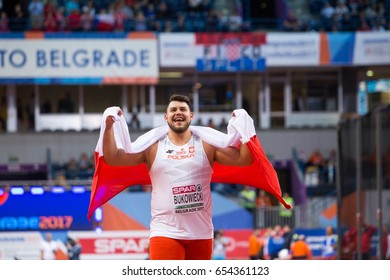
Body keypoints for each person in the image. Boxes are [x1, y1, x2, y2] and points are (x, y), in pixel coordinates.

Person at [102, 94, 254, 260]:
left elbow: (244, 159)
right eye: (173, 109)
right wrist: (108, 126)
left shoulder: (207, 145)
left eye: (183, 109)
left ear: (191, 116)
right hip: (165, 231)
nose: (178, 112)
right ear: (166, 117)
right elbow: (113, 158)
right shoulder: (152, 147)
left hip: (201, 233)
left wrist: (245, 127)